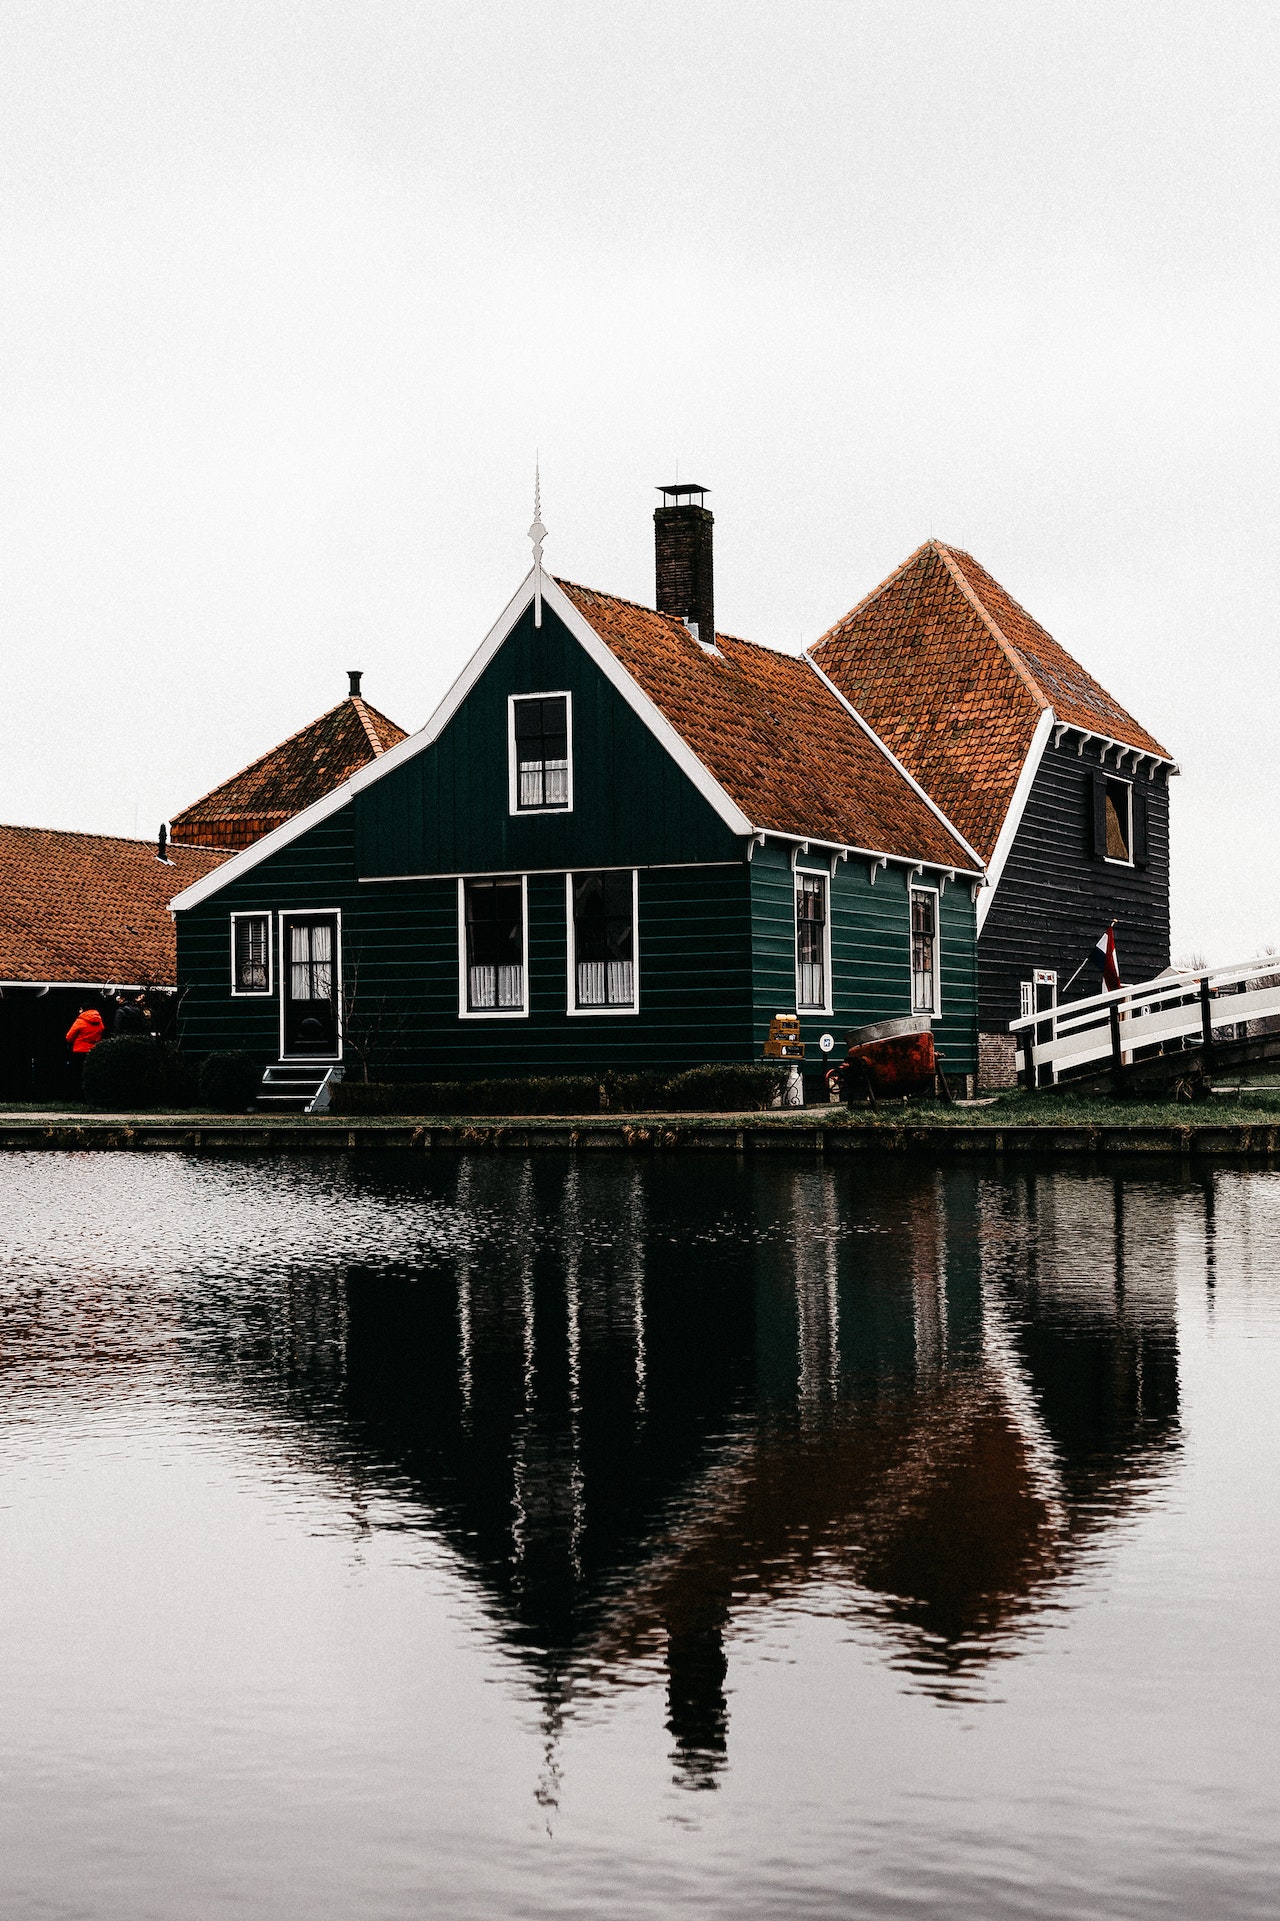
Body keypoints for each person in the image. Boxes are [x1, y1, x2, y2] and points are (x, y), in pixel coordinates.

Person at [65, 1002, 105, 1094]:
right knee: (90, 1074)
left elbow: (69, 1037)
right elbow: (102, 1031)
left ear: (83, 1009)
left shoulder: (80, 1021)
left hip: (79, 1051)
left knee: (77, 1074)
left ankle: (77, 1095)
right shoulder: (99, 1021)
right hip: (93, 1050)